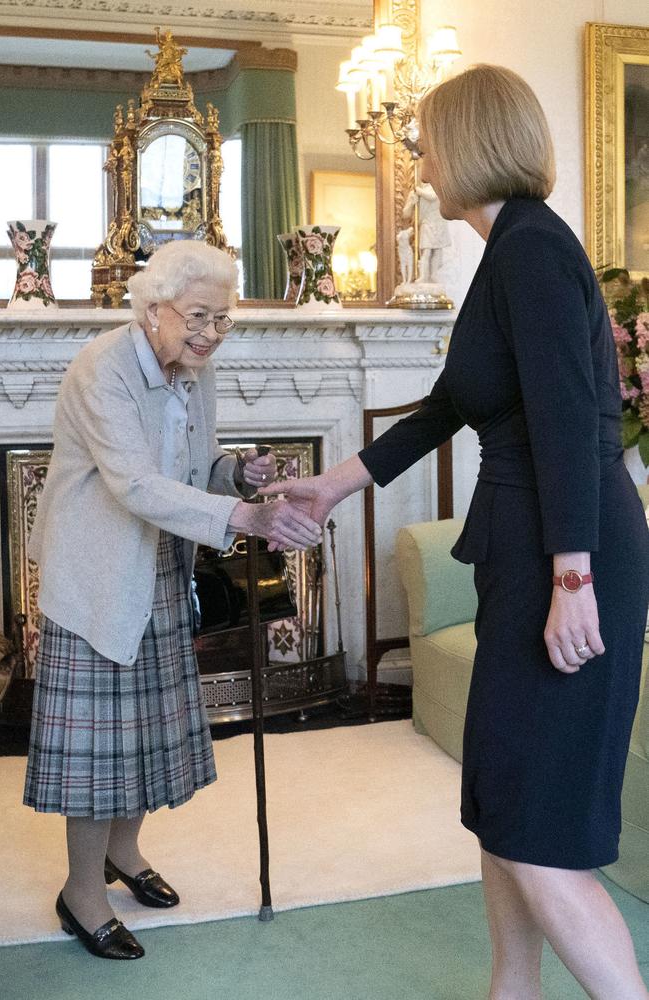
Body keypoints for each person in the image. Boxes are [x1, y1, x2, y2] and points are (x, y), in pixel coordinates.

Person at [262, 65, 649, 999]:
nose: (419, 156)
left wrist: (571, 580)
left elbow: (563, 419)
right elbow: (449, 406)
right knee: (506, 805)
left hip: (569, 549)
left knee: (536, 819)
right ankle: (510, 991)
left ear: (472, 142)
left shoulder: (530, 251)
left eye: (428, 139)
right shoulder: (509, 247)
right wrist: (335, 486)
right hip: (536, 549)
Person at [24, 239, 321, 960]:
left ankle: (124, 855)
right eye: (198, 316)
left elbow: (189, 467)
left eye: (223, 320)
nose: (211, 333)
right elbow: (133, 483)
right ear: (153, 308)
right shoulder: (103, 368)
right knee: (99, 749)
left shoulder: (193, 371)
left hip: (157, 565)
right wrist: (243, 519)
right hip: (97, 572)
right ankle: (81, 894)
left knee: (144, 735)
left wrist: (235, 474)